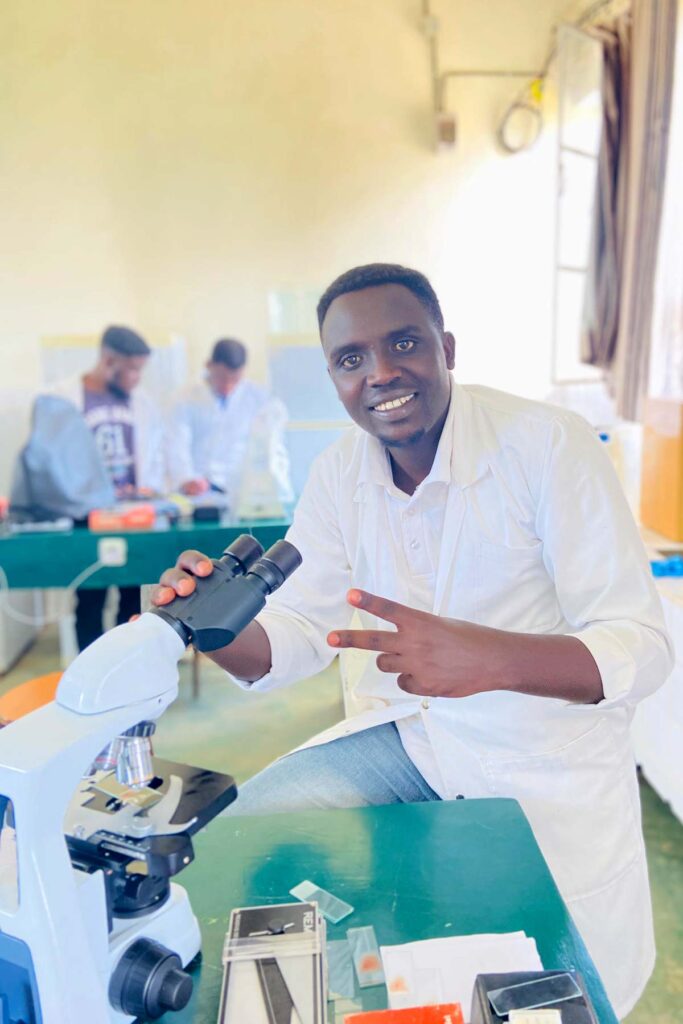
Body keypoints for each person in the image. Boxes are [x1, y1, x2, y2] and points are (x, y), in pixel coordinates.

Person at [152, 264, 672, 1018]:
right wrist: (218, 628)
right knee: (237, 837)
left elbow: (642, 643)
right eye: (350, 359)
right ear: (332, 375)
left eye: (403, 344)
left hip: (537, 760)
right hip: (408, 743)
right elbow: (299, 630)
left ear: (446, 348)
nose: (381, 374)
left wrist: (494, 659)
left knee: (546, 982)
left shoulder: (545, 445)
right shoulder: (337, 473)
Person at [51, 325, 165, 650]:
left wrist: (150, 490)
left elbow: (152, 458)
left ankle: (122, 677)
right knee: (88, 601)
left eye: (140, 370)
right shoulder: (64, 397)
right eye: (131, 368)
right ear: (107, 359)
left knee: (132, 603)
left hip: (132, 516)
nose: (135, 377)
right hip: (86, 517)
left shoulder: (141, 403)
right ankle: (88, 679)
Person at [167, 338, 292, 505]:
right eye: (221, 378)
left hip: (241, 492)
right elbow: (177, 444)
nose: (227, 387)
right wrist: (186, 479)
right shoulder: (184, 398)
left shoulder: (259, 399)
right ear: (209, 365)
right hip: (198, 491)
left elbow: (270, 449)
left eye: (234, 380)